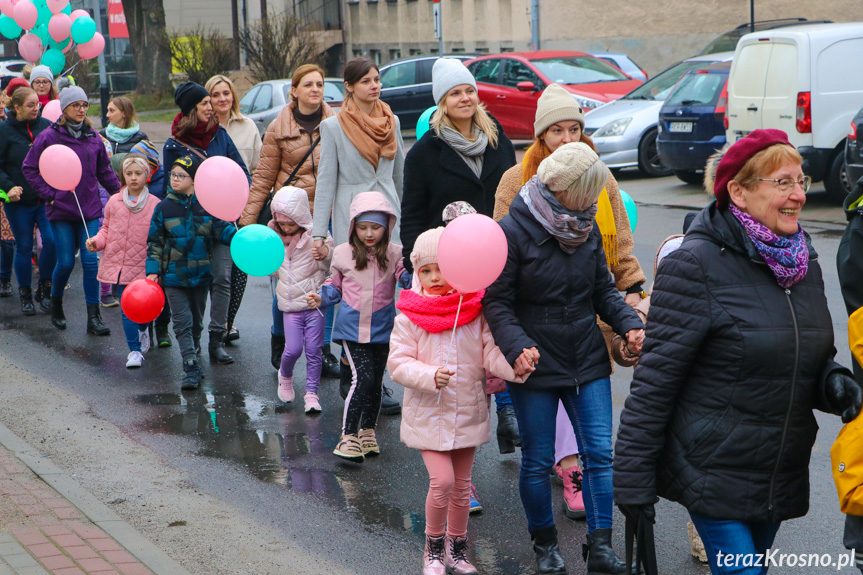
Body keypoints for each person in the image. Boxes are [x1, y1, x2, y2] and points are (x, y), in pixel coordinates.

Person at [613, 129, 863, 575]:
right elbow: (655, 382)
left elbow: (802, 350)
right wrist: (632, 483)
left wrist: (831, 381)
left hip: (775, 468)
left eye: (800, 181)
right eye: (782, 182)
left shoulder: (802, 263)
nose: (799, 195)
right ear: (739, 193)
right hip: (712, 469)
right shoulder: (694, 264)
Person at [484, 142, 644, 575]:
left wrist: (630, 322)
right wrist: (517, 348)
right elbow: (496, 303)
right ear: (567, 190)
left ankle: (601, 546)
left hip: (586, 359)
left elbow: (603, 291)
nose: (596, 201)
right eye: (590, 192)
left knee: (599, 454)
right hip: (533, 364)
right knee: (537, 460)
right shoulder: (511, 231)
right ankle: (546, 547)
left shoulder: (586, 227)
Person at [388, 227, 535, 575]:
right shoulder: (409, 315)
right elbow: (397, 362)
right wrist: (428, 376)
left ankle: (457, 550)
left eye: (441, 268)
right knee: (442, 481)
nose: (435, 277)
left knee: (463, 486)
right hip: (428, 414)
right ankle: (433, 550)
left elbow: (490, 354)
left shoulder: (473, 311)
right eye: (426, 270)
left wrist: (516, 365)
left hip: (466, 410)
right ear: (416, 273)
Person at [312, 57, 405, 415]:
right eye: (366, 80)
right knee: (353, 290)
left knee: (383, 291)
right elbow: (326, 183)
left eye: (377, 79)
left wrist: (401, 219)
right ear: (349, 86)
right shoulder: (334, 127)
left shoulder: (392, 121)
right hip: (353, 217)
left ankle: (376, 375)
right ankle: (352, 364)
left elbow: (398, 175)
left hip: (386, 214)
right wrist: (320, 232)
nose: (374, 85)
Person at [238, 63, 339, 377]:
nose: (315, 90)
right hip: (287, 222)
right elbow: (264, 178)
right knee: (286, 285)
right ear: (294, 91)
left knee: (326, 283)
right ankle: (279, 339)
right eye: (308, 84)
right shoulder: (277, 128)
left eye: (319, 84)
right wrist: (248, 221)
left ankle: (322, 350)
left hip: (325, 217)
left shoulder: (336, 125)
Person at [307, 192, 408, 462]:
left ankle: (367, 432)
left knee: (375, 383)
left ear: (387, 227)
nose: (369, 233)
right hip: (352, 329)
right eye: (362, 227)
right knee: (361, 379)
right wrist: (321, 297)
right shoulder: (343, 253)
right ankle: (347, 436)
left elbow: (405, 279)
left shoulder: (395, 253)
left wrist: (418, 271)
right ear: (353, 227)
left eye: (375, 227)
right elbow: (333, 286)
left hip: (383, 328)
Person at [162, 81, 250, 364]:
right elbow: (173, 186)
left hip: (223, 220)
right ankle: (194, 342)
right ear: (191, 109)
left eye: (209, 103)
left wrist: (235, 200)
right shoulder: (174, 145)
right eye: (204, 104)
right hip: (194, 224)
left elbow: (242, 173)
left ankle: (217, 339)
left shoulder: (220, 135)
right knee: (198, 285)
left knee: (223, 279)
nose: (210, 107)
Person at [22, 86, 121, 334]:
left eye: (84, 105)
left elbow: (104, 171)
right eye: (76, 105)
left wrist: (121, 195)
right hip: (61, 212)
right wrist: (49, 194)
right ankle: (56, 304)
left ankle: (93, 318)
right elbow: (29, 168)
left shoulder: (93, 137)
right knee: (65, 262)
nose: (81, 109)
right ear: (64, 108)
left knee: (90, 262)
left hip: (89, 210)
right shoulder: (49, 136)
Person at [400, 58, 516, 268]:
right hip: (447, 263)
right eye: (455, 93)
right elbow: (412, 216)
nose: (465, 98)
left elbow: (515, 197)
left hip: (499, 255)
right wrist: (413, 264)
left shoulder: (498, 140)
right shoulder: (423, 153)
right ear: (443, 101)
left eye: (469, 91)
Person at [146, 154, 235, 390]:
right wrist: (153, 271)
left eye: (181, 175)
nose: (175, 179)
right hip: (174, 277)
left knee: (196, 323)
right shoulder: (163, 208)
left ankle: (193, 350)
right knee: (182, 323)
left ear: (195, 180)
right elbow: (154, 242)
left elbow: (222, 231)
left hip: (201, 276)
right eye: (173, 174)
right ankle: (191, 366)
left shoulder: (206, 206)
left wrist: (240, 237)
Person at [85, 154, 159, 367]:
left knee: (143, 310)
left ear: (147, 175)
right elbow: (106, 229)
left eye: (138, 173)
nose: (133, 177)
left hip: (143, 265)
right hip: (118, 265)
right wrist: (96, 242)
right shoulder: (114, 201)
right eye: (129, 173)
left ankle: (144, 328)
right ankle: (134, 350)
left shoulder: (155, 204)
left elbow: (158, 236)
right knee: (128, 309)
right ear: (123, 176)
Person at [270, 185, 333, 413]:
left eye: (290, 223)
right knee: (293, 349)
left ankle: (311, 394)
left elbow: (330, 268)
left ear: (301, 219)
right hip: (290, 307)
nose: (286, 228)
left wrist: (325, 254)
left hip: (314, 304)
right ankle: (285, 376)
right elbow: (272, 271)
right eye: (282, 223)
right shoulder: (273, 239)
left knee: (314, 351)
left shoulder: (317, 237)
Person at [0, 86, 54, 314]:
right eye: (31, 106)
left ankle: (45, 287)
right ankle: (25, 294)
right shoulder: (4, 130)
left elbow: (57, 158)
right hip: (19, 202)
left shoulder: (46, 126)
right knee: (23, 247)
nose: (36, 109)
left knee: (51, 243)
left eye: (38, 105)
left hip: (45, 199)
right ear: (17, 107)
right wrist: (9, 187)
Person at [206, 75, 261, 175]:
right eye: (215, 95)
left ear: (233, 96)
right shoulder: (202, 129)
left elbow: (258, 168)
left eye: (226, 93)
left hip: (244, 188)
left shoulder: (248, 125)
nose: (222, 99)